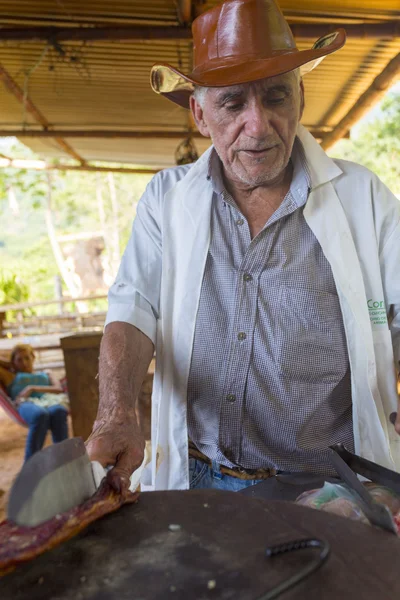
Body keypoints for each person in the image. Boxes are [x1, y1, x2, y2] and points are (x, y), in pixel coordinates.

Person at [86, 0, 400, 492]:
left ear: (301, 97)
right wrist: (116, 411)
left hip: (325, 487)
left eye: (276, 97)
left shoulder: (364, 198)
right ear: (199, 113)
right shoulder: (166, 201)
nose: (257, 125)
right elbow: (134, 308)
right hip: (197, 479)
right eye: (233, 103)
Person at [6, 344, 69, 462]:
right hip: (25, 403)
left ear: (33, 358)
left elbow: (59, 389)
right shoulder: (11, 375)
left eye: (27, 358)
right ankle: (30, 465)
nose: (24, 363)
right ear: (13, 362)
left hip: (48, 400)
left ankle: (62, 461)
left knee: (59, 411)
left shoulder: (46, 372)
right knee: (40, 415)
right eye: (19, 360)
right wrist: (9, 364)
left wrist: (32, 388)